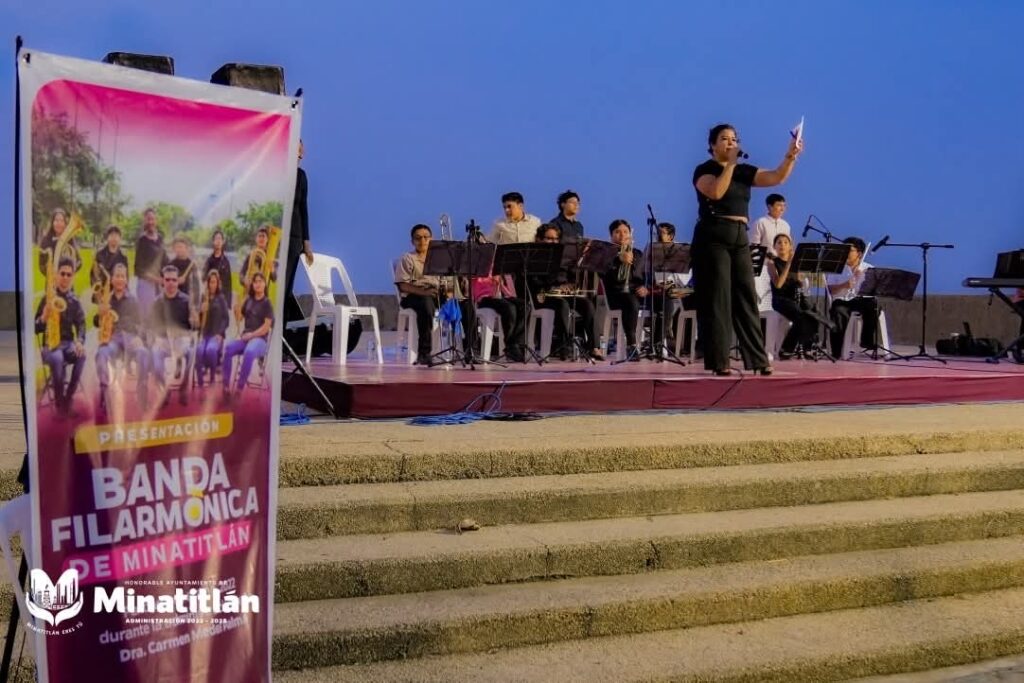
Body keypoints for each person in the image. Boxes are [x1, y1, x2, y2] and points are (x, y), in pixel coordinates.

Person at [692, 123, 802, 375]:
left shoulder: (743, 171)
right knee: (719, 298)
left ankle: (758, 360)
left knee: (746, 296)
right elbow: (716, 192)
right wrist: (730, 164)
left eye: (734, 138)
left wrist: (790, 156)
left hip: (740, 235)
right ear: (712, 145)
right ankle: (719, 362)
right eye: (724, 138)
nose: (731, 142)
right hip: (713, 234)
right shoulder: (704, 170)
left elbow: (777, 177)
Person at [394, 224, 476, 364]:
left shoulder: (441, 258)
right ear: (412, 241)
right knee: (426, 305)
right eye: (418, 238)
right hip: (414, 295)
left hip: (438, 295)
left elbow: (450, 283)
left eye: (426, 237)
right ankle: (424, 353)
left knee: (467, 305)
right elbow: (403, 286)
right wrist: (425, 292)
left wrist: (455, 287)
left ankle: (471, 350)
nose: (422, 241)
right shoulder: (408, 258)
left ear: (431, 239)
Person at [526, 224, 601, 360]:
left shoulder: (564, 257)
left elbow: (571, 279)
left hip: (561, 295)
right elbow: (534, 282)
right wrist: (554, 288)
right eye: (549, 239)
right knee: (562, 305)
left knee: (586, 304)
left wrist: (570, 285)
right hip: (543, 296)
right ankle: (564, 345)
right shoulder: (533, 257)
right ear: (538, 239)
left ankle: (594, 346)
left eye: (556, 239)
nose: (553, 242)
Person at [93, 263, 148, 413]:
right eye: (117, 276)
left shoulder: (133, 300)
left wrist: (139, 338)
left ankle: (142, 393)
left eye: (122, 276)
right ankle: (105, 393)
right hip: (113, 339)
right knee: (101, 354)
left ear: (126, 280)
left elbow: (142, 324)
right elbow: (96, 323)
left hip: (130, 338)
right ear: (112, 279)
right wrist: (100, 313)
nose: (119, 279)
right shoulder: (106, 299)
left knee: (143, 353)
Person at [34, 258, 85, 416]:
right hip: (49, 346)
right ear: (56, 275)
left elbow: (81, 325)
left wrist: (80, 341)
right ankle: (60, 403)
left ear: (73, 277)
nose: (65, 277)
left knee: (82, 356)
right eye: (62, 273)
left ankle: (67, 399)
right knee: (57, 358)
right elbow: (35, 328)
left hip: (68, 344)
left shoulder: (75, 301)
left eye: (69, 274)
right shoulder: (47, 298)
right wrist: (44, 317)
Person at [149, 265, 196, 406]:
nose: (170, 283)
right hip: (164, 341)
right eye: (167, 280)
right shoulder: (157, 302)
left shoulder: (187, 301)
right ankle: (165, 390)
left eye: (174, 280)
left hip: (181, 341)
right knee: (155, 357)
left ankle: (183, 388)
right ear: (163, 281)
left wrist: (194, 321)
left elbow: (193, 328)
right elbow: (153, 326)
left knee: (192, 352)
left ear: (178, 282)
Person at [601, 219, 649, 360]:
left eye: (625, 232)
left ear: (630, 235)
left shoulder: (638, 253)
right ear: (611, 236)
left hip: (636, 292)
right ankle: (632, 345)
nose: (622, 235)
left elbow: (646, 275)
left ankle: (657, 344)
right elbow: (603, 274)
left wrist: (645, 287)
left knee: (664, 300)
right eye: (617, 232)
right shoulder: (606, 254)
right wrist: (618, 259)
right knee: (631, 302)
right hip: (616, 294)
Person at [768, 234, 820, 358]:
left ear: (791, 246)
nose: (782, 245)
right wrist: (788, 264)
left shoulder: (797, 263)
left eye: (786, 242)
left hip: (795, 297)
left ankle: (807, 348)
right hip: (781, 299)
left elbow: (800, 284)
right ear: (774, 246)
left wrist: (802, 276)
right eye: (779, 242)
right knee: (800, 317)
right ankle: (786, 349)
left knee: (813, 314)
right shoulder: (772, 263)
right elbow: (778, 285)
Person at [222, 272, 273, 399]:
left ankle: (239, 389)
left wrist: (251, 335)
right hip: (246, 340)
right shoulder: (249, 300)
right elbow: (239, 318)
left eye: (260, 281)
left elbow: (266, 327)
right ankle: (226, 387)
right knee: (228, 348)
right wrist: (239, 305)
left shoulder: (267, 303)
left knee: (249, 351)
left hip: (260, 341)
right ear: (252, 284)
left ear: (264, 284)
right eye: (255, 281)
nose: (258, 284)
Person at [827, 236, 878, 357]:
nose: (845, 253)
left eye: (849, 250)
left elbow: (874, 291)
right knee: (838, 311)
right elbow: (830, 290)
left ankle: (867, 341)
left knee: (872, 304)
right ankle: (836, 352)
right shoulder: (837, 267)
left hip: (861, 300)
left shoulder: (868, 268)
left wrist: (863, 280)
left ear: (859, 253)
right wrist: (845, 285)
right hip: (842, 300)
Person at [284, 139, 314, 322]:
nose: (301, 153)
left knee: (287, 286)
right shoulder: (278, 173)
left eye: (302, 150)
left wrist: (306, 242)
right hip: (277, 235)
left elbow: (303, 208)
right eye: (298, 149)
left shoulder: (301, 176)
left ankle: (282, 331)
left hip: (294, 237)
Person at [471, 266, 526, 363]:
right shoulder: (479, 266)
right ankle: (510, 345)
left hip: (497, 298)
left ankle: (515, 343)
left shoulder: (497, 267)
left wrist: (504, 282)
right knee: (510, 308)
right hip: (483, 298)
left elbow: (510, 294)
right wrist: (490, 279)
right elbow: (474, 283)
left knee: (525, 306)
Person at [195, 270, 230, 389]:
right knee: (199, 350)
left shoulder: (221, 298)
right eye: (210, 282)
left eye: (214, 282)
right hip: (204, 334)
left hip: (216, 334)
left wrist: (220, 333)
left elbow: (226, 319)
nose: (212, 285)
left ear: (218, 283)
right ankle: (200, 384)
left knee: (210, 350)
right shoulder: (203, 298)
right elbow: (197, 322)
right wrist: (200, 311)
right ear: (208, 283)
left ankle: (212, 379)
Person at [134, 207, 168, 315]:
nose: (150, 222)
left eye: (152, 219)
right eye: (148, 219)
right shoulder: (142, 240)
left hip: (159, 285)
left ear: (156, 220)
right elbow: (139, 268)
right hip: (146, 284)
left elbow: (165, 260)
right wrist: (156, 279)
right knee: (148, 316)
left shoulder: (160, 239)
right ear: (144, 221)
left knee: (159, 316)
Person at [37, 208, 82, 275]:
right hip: (51, 279)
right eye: (56, 220)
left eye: (62, 221)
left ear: (65, 223)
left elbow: (79, 262)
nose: (59, 223)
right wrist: (51, 273)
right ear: (52, 223)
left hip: (67, 278)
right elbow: (41, 265)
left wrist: (69, 271)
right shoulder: (45, 240)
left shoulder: (70, 240)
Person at [203, 229, 233, 307]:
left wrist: (228, 304)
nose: (218, 241)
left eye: (220, 239)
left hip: (222, 299)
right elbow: (204, 278)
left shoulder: (226, 261)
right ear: (213, 241)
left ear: (223, 242)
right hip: (210, 297)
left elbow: (229, 284)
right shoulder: (209, 260)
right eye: (216, 239)